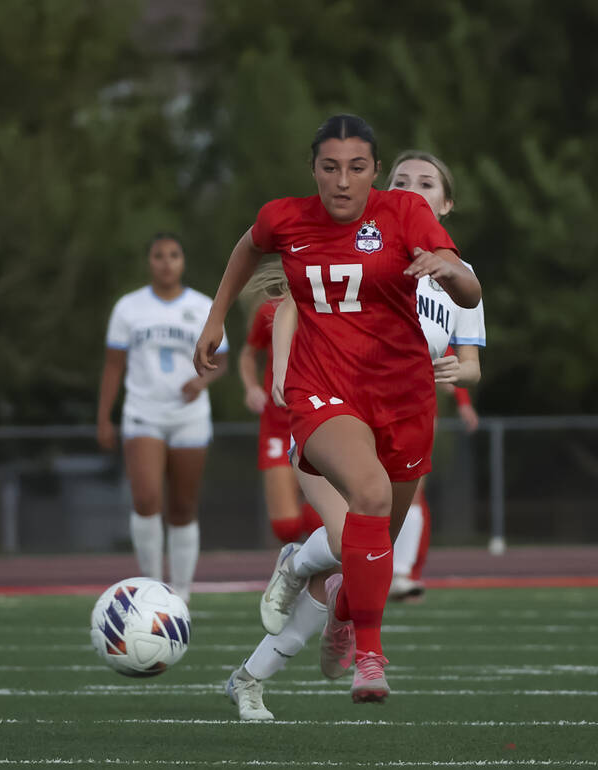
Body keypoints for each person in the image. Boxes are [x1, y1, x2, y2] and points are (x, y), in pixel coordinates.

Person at [196, 115, 480, 706]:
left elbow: (471, 306)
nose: (342, 181)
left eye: (356, 168)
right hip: (324, 393)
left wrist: (449, 270)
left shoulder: (416, 229)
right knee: (366, 503)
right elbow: (266, 268)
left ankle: (329, 603)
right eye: (330, 168)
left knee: (370, 547)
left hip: (403, 401)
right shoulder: (290, 219)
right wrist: (219, 322)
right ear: (315, 170)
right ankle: (369, 655)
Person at [97, 233, 230, 605]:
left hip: (189, 416)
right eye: (159, 255)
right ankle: (151, 587)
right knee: (146, 498)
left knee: (183, 506)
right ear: (149, 262)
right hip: (144, 412)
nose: (166, 262)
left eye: (174, 255)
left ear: (183, 261)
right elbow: (113, 365)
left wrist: (203, 379)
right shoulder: (129, 308)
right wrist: (103, 417)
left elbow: (222, 360)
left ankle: (182, 593)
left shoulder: (204, 305)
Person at [385, 151, 486, 602]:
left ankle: (398, 576)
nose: (411, 191)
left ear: (445, 204)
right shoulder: (364, 252)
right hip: (348, 392)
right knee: (352, 510)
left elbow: (471, 367)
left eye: (426, 184)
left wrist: (456, 370)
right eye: (401, 181)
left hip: (412, 397)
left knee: (394, 506)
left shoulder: (463, 277)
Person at [238, 292, 323, 544]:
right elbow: (247, 354)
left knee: (320, 521)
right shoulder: (269, 311)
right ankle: (296, 570)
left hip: (320, 423)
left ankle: (322, 577)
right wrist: (251, 387)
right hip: (278, 426)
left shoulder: (333, 307)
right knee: (286, 527)